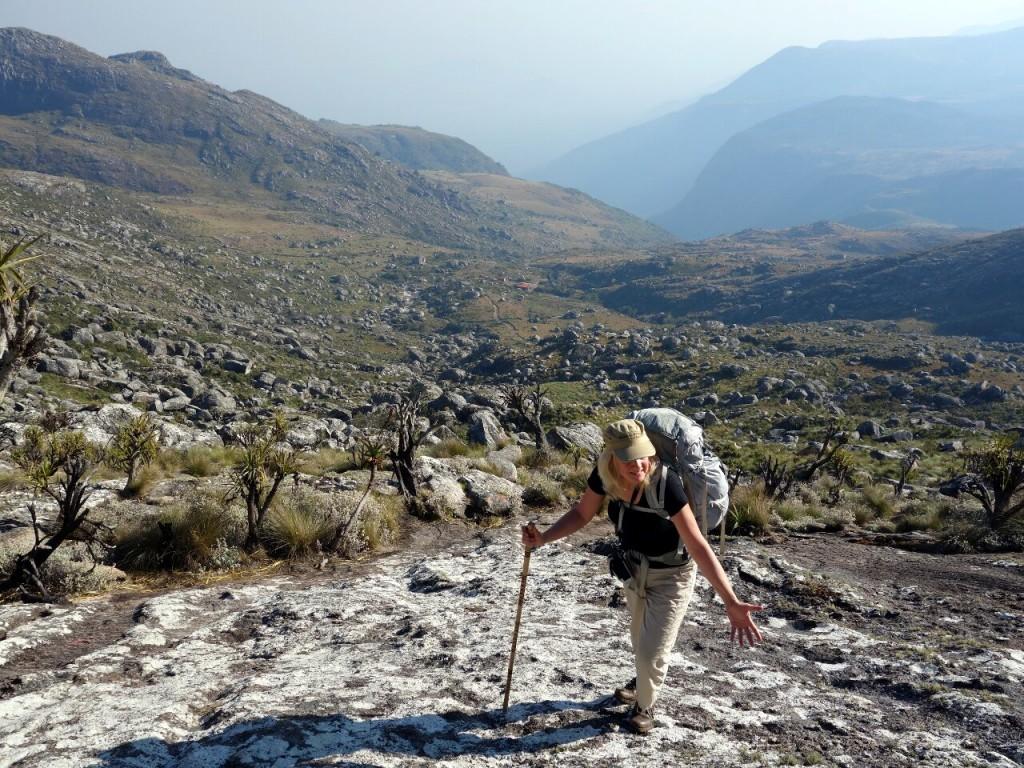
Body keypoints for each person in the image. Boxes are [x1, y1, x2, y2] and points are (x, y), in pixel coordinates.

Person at [522, 418, 763, 735]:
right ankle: (642, 683)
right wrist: (544, 538)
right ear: (611, 459)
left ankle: (645, 706)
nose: (638, 464)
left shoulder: (667, 484)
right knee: (640, 642)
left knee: (652, 650)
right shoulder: (604, 477)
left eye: (643, 454)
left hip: (673, 574)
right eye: (628, 458)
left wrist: (730, 601)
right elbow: (582, 514)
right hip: (634, 570)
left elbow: (697, 544)